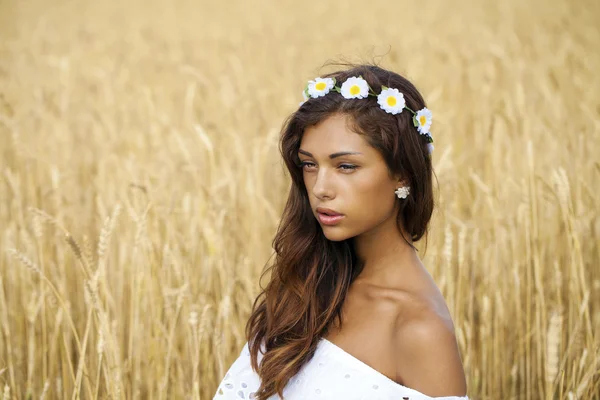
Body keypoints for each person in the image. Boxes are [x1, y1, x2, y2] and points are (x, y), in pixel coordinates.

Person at [213, 62, 469, 400]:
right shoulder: (310, 284)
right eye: (309, 164)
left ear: (403, 173)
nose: (320, 188)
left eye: (345, 166)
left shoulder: (419, 330)